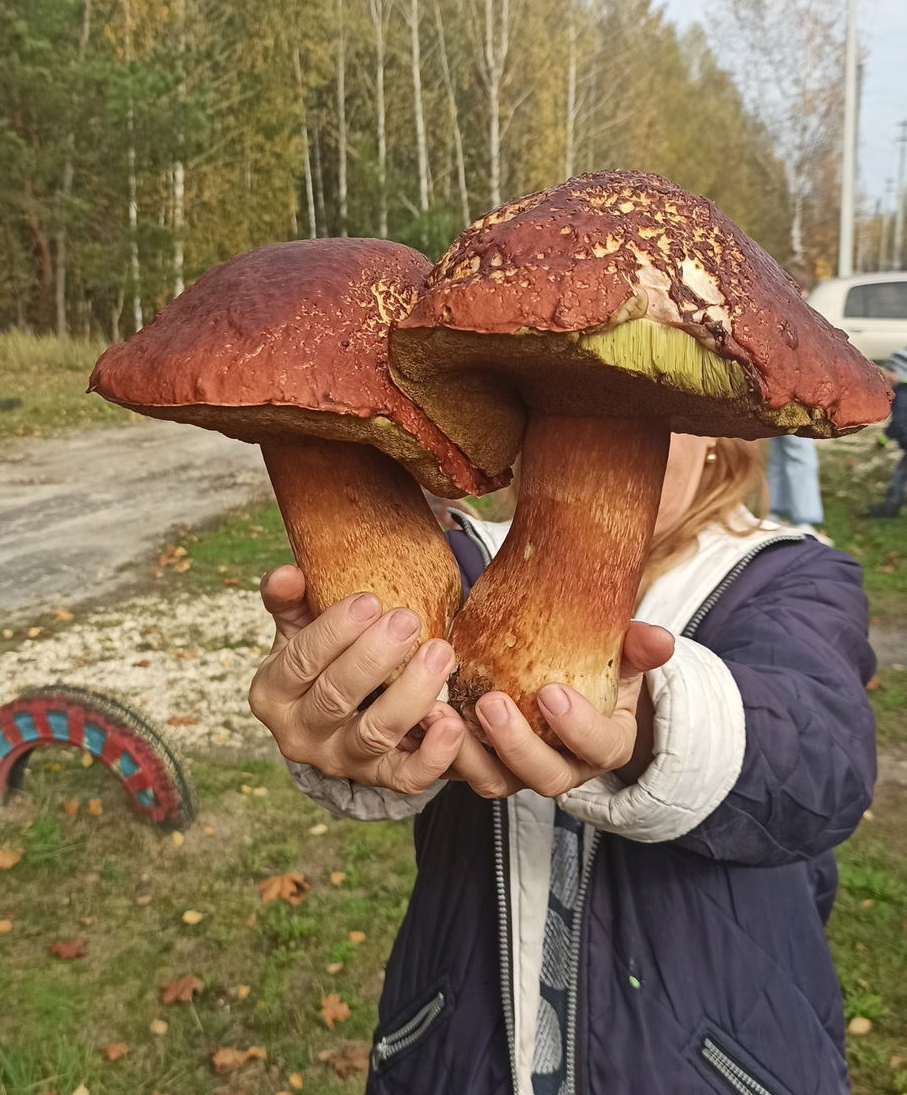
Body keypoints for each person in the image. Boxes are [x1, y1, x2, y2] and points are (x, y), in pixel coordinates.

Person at [249, 434, 876, 1095]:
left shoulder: (791, 574)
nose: (616, 421)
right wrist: (347, 712)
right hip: (453, 1051)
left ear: (726, 433)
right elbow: (403, 700)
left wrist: (646, 723)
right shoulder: (463, 555)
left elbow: (823, 758)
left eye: (664, 407)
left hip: (719, 1061)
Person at [765, 259, 827, 531]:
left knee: (790, 450)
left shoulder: (780, 312)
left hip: (786, 393)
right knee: (791, 452)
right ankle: (791, 513)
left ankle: (790, 513)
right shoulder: (790, 315)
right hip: (787, 392)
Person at [868, 346, 907, 518]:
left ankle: (890, 509)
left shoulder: (902, 396)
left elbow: (898, 423)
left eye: (893, 370)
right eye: (888, 368)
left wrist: (883, 440)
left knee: (898, 477)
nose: (888, 374)